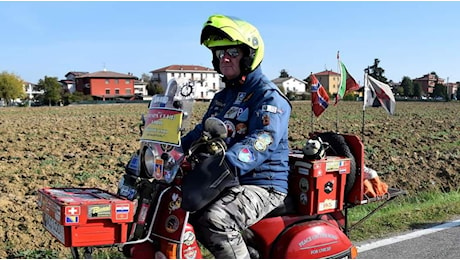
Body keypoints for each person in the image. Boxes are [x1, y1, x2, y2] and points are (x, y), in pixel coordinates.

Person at [180, 14, 292, 259]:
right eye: (220, 53)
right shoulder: (222, 98)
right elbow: (203, 131)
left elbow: (264, 139)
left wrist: (228, 162)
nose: (225, 58)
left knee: (216, 219)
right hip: (225, 179)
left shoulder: (267, 96)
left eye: (232, 51)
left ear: (249, 55)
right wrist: (174, 149)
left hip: (262, 184)